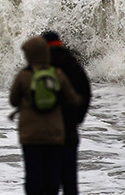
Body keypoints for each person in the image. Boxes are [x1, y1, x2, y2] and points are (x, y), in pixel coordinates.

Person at [10, 36, 82, 195]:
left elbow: (13, 101)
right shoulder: (57, 74)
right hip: (54, 133)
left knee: (33, 176)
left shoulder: (23, 75)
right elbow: (73, 99)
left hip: (30, 135)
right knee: (52, 177)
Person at [41, 30, 92, 195]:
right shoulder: (74, 64)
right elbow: (86, 93)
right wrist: (78, 119)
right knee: (70, 180)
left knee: (50, 180)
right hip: (70, 129)